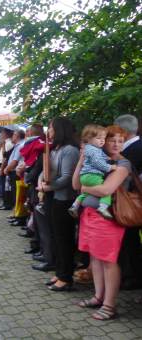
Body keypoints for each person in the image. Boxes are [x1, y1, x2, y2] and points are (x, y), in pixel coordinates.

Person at [74, 125, 131, 320]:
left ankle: (109, 305)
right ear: (103, 142)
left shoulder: (123, 164)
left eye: (120, 141)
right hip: (90, 214)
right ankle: (98, 297)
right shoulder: (96, 159)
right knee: (95, 259)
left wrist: (85, 188)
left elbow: (106, 190)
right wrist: (82, 159)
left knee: (108, 261)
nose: (116, 144)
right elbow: (75, 184)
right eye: (112, 140)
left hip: (108, 219)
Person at [39, 117, 79, 290]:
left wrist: (48, 187)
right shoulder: (56, 148)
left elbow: (67, 178)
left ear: (60, 130)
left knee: (64, 239)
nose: (49, 131)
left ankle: (66, 277)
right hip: (53, 197)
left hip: (64, 200)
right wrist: (41, 182)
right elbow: (45, 170)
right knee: (56, 237)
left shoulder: (70, 150)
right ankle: (60, 272)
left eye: (52, 128)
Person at [114, 114, 142, 292]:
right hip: (134, 203)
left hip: (131, 204)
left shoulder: (131, 151)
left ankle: (132, 277)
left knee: (130, 241)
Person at [68, 125, 116, 219]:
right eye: (99, 138)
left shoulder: (94, 149)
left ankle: (75, 205)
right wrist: (110, 167)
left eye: (103, 138)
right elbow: (98, 162)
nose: (102, 140)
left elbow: (102, 156)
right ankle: (103, 207)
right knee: (106, 191)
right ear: (89, 139)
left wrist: (108, 158)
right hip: (93, 175)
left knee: (85, 193)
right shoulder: (93, 150)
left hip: (85, 177)